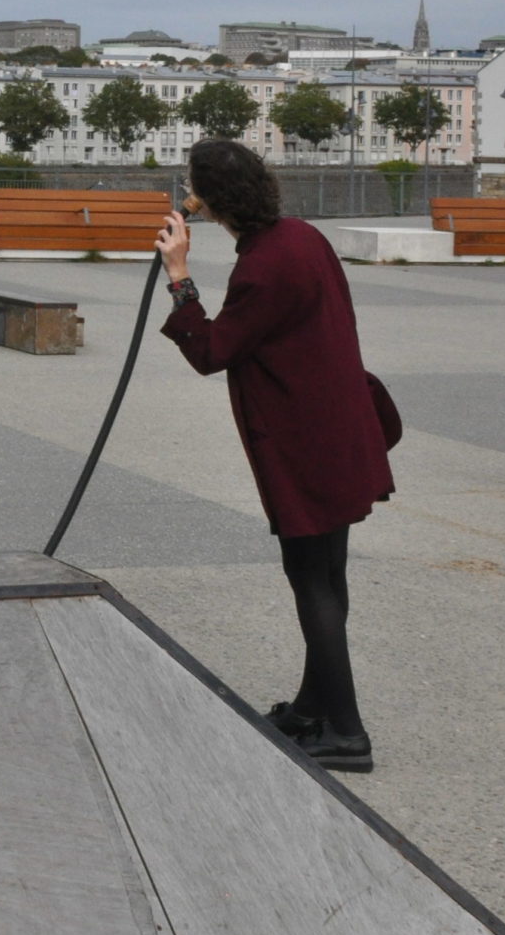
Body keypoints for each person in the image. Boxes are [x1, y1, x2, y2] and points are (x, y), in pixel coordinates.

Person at [155, 139, 399, 771]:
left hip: (307, 444)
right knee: (328, 573)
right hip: (340, 431)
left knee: (310, 577)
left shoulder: (264, 266)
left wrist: (179, 278)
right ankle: (314, 706)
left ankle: (345, 732)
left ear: (207, 199)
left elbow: (212, 351)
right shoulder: (300, 237)